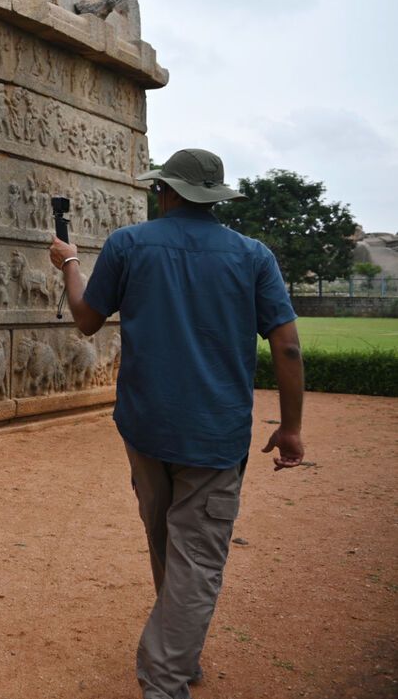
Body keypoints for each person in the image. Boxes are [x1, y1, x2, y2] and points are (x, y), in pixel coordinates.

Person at [48, 147, 304, 699]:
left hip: (147, 425)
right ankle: (170, 672)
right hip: (216, 432)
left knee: (167, 543)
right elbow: (286, 347)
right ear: (213, 198)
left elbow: (87, 320)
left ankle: (167, 671)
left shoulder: (128, 245)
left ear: (164, 192)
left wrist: (69, 262)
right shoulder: (252, 255)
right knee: (197, 554)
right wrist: (290, 427)